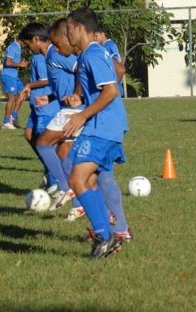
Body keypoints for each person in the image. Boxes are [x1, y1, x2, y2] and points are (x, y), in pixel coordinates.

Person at [65, 7, 129, 259]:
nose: (67, 32)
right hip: (103, 125)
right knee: (90, 181)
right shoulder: (92, 54)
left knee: (76, 180)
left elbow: (112, 90)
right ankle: (109, 235)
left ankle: (106, 236)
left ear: (80, 28)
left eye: (69, 28)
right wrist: (79, 101)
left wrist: (83, 114)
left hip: (102, 127)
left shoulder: (91, 54)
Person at [16, 24, 61, 193]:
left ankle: (56, 177)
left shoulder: (43, 56)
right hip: (37, 104)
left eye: (27, 44)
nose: (27, 47)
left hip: (46, 106)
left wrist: (29, 85)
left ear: (36, 39)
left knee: (45, 142)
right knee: (29, 135)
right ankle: (49, 169)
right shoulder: (40, 56)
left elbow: (46, 80)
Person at [0, 38, 28, 129]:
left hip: (14, 76)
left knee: (23, 93)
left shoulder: (18, 47)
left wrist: (21, 65)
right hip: (8, 76)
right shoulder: (13, 47)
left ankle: (13, 117)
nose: (27, 45)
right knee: (11, 98)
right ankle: (6, 122)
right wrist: (20, 64)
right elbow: (8, 62)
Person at [95, 27, 125, 97]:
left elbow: (117, 60)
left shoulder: (111, 45)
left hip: (114, 81)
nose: (95, 38)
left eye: (96, 36)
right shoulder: (101, 46)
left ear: (103, 34)